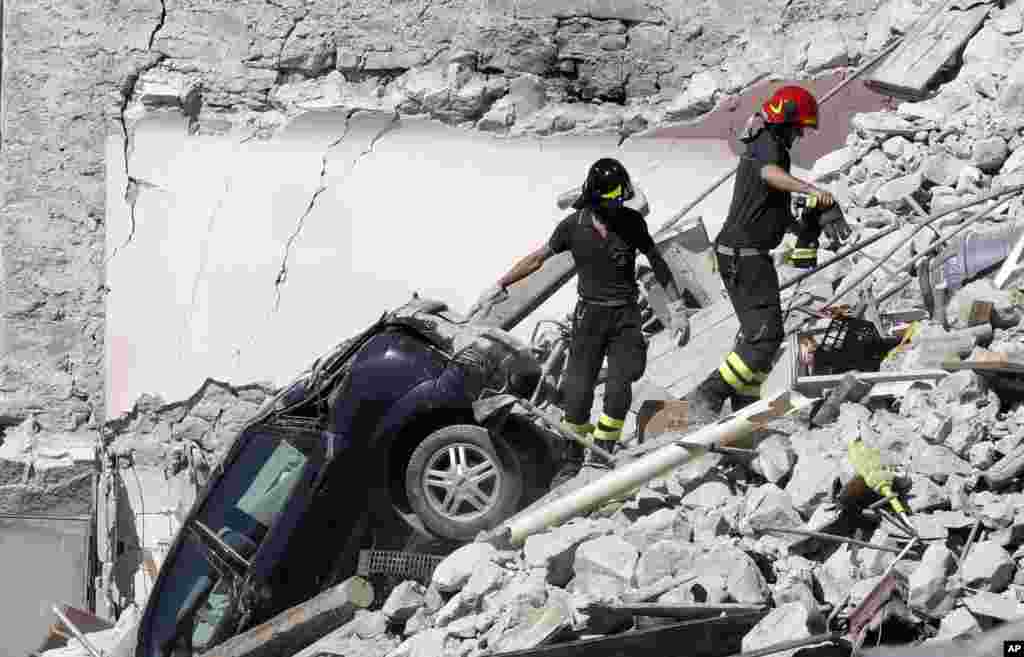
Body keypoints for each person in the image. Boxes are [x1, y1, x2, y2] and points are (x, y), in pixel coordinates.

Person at [475, 158, 690, 465]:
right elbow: (538, 258)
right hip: (588, 319)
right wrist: (500, 284)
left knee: (618, 392)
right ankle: (572, 456)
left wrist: (676, 307)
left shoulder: (632, 222)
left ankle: (602, 454)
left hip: (625, 318)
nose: (617, 205)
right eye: (611, 199)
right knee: (575, 398)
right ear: (594, 198)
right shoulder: (573, 226)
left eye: (620, 199)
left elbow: (657, 262)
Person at [686, 85, 848, 420]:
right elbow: (770, 175)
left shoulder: (766, 145)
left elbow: (771, 208)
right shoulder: (768, 147)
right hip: (744, 255)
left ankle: (745, 407)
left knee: (760, 337)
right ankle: (709, 393)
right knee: (765, 338)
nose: (800, 135)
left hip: (743, 253)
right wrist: (813, 189)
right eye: (799, 128)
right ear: (787, 122)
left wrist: (804, 227)